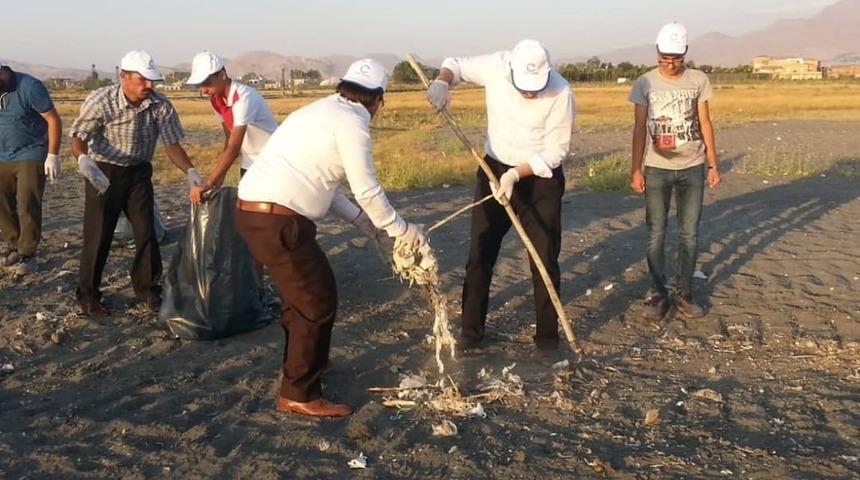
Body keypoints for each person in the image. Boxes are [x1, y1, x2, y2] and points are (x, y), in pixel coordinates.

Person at [236, 59, 426, 417]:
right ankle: (298, 393)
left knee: (300, 298)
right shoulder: (353, 122)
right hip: (278, 220)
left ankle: (304, 367)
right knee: (316, 300)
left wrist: (364, 224)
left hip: (257, 213)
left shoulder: (321, 110)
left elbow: (328, 184)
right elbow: (366, 188)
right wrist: (400, 229)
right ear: (379, 99)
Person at [426, 39, 574, 353]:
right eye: (525, 86)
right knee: (480, 253)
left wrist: (516, 174)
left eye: (536, 86)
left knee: (544, 258)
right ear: (511, 71)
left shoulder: (561, 90)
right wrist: (442, 82)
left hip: (539, 177)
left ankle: (547, 339)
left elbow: (557, 150)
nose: (531, 92)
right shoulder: (496, 65)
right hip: (494, 169)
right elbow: (455, 61)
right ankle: (471, 332)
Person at [70, 50, 203, 317]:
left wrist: (190, 171)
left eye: (152, 80)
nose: (149, 86)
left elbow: (171, 144)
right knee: (98, 235)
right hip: (103, 171)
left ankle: (148, 290)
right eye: (143, 80)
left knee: (146, 232)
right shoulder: (102, 100)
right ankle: (88, 297)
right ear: (123, 76)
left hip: (138, 173)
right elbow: (78, 134)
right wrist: (83, 159)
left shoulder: (160, 105)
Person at [628, 22, 721, 320]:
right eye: (664, 58)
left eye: (676, 58)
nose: (670, 64)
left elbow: (705, 122)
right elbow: (639, 127)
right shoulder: (644, 83)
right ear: (657, 53)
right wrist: (636, 169)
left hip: (693, 167)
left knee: (689, 234)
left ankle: (685, 294)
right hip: (656, 168)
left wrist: (712, 164)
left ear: (685, 54)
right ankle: (657, 293)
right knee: (656, 233)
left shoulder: (698, 80)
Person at [185, 51, 278, 204]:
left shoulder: (243, 98)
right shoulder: (216, 100)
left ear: (222, 74)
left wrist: (209, 181)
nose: (203, 89)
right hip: (250, 162)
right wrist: (219, 177)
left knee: (267, 213)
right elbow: (229, 139)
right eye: (199, 84)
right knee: (247, 211)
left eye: (207, 82)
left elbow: (234, 147)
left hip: (271, 161)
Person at [0, 62, 62, 275]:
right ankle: (14, 244)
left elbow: (53, 119)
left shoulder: (29, 86)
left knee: (27, 203)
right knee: (3, 204)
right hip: (2, 154)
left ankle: (28, 253)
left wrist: (52, 155)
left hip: (31, 151)